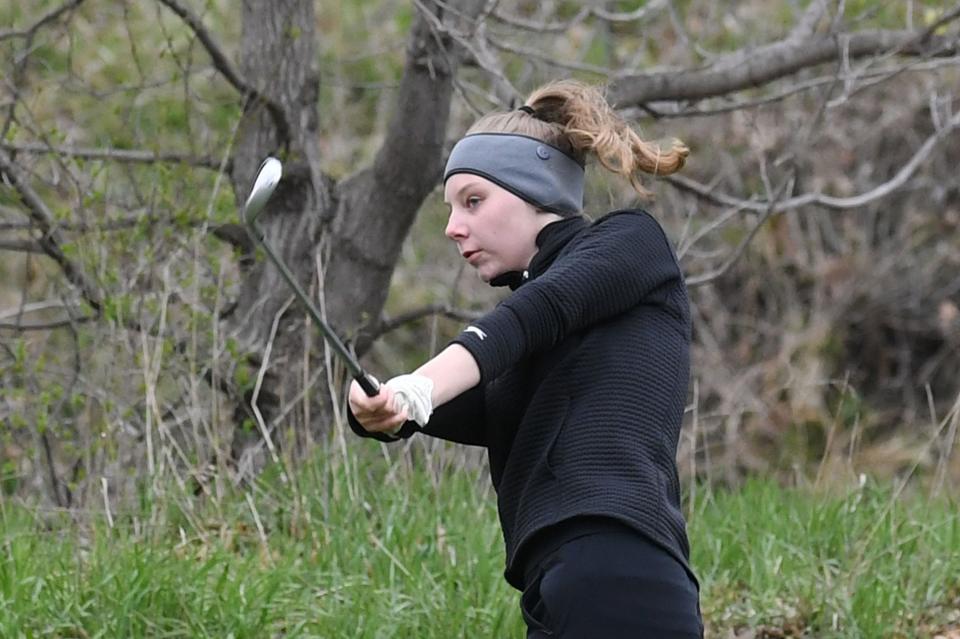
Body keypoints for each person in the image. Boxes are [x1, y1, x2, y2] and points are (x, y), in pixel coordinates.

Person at [347, 79, 702, 638]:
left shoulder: (630, 244)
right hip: (558, 587)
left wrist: (420, 383)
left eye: (473, 200)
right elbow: (471, 396)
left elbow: (539, 312)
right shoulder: (526, 346)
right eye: (451, 208)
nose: (452, 227)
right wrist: (383, 407)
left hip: (619, 572)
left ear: (535, 190)